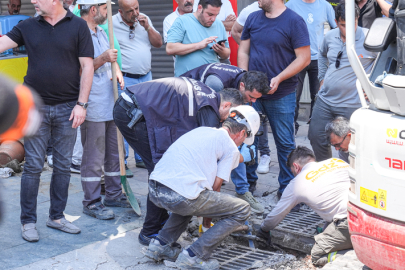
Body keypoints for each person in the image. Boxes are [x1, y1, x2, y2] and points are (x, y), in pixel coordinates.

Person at [0, 0, 94, 242]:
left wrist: (81, 104)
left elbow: (87, 65)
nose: (32, 1)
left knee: (62, 166)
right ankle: (28, 221)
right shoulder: (27, 26)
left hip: (68, 108)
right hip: (35, 108)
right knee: (32, 167)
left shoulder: (79, 26)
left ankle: (56, 217)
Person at [113, 77, 243, 246]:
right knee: (160, 169)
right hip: (132, 110)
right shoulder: (209, 112)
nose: (230, 121)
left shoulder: (208, 95)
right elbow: (209, 168)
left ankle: (161, 221)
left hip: (136, 105)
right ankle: (150, 232)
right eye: (231, 115)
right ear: (226, 105)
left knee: (165, 165)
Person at [145, 105, 259, 269]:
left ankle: (159, 246)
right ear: (242, 133)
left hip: (155, 188)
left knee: (192, 197)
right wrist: (206, 226)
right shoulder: (230, 147)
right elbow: (215, 188)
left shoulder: (201, 131)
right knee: (242, 208)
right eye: (244, 140)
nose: (242, 143)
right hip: (180, 195)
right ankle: (194, 255)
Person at [238, 0, 311, 197]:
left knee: (285, 143)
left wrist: (279, 78)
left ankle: (287, 189)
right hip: (253, 95)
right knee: (248, 140)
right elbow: (243, 50)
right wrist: (244, 79)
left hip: (282, 93)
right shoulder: (253, 17)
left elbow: (304, 58)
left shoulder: (294, 21)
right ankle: (247, 187)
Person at [79, 0, 135, 220]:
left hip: (110, 101)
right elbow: (81, 69)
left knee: (115, 152)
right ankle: (91, 201)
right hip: (92, 104)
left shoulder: (101, 32)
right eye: (104, 9)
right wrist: (103, 59)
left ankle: (113, 193)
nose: (107, 13)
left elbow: (111, 57)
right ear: (94, 10)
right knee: (94, 155)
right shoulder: (79, 34)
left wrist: (117, 69)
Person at [257, 146, 352, 267]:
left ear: (296, 167)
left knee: (317, 255)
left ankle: (354, 256)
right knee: (328, 227)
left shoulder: (297, 183)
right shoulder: (337, 162)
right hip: (368, 211)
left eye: (293, 172)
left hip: (350, 222)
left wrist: (264, 229)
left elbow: (277, 214)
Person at [308, 3, 377, 162]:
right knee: (316, 136)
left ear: (357, 19)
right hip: (325, 99)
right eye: (342, 25)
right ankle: (329, 171)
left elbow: (385, 61)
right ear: (335, 21)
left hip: (352, 104)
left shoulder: (369, 37)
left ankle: (348, 177)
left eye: (351, 24)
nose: (347, 29)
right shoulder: (330, 36)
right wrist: (322, 78)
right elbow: (322, 56)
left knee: (348, 145)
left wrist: (373, 85)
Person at [113, 0, 162, 173]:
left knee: (147, 117)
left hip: (146, 77)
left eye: (137, 8)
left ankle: (142, 157)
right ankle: (124, 161)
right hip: (126, 79)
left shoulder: (144, 19)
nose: (135, 13)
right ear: (120, 12)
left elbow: (158, 43)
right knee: (126, 119)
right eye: (130, 11)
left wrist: (148, 27)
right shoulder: (112, 24)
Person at [230, 1, 272, 175]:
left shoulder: (287, 12)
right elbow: (234, 31)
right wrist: (249, 49)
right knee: (251, 122)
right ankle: (250, 176)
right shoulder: (250, 11)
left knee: (268, 122)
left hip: (277, 81)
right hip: (252, 77)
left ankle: (266, 155)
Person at [285, 0, 337, 134]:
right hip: (297, 58)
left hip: (318, 59)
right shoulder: (291, 4)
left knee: (318, 95)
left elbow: (336, 28)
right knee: (294, 95)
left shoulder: (324, 5)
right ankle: (291, 128)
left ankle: (315, 128)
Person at [166, 0, 230, 77]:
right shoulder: (182, 21)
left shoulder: (219, 23)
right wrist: (199, 45)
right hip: (187, 80)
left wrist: (221, 51)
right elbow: (170, 49)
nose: (213, 19)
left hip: (212, 77)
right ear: (200, 8)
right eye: (210, 14)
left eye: (216, 15)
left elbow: (226, 53)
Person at [180, 63, 269, 100]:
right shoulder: (216, 83)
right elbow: (207, 109)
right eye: (251, 97)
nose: (253, 101)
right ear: (242, 85)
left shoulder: (243, 76)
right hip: (181, 94)